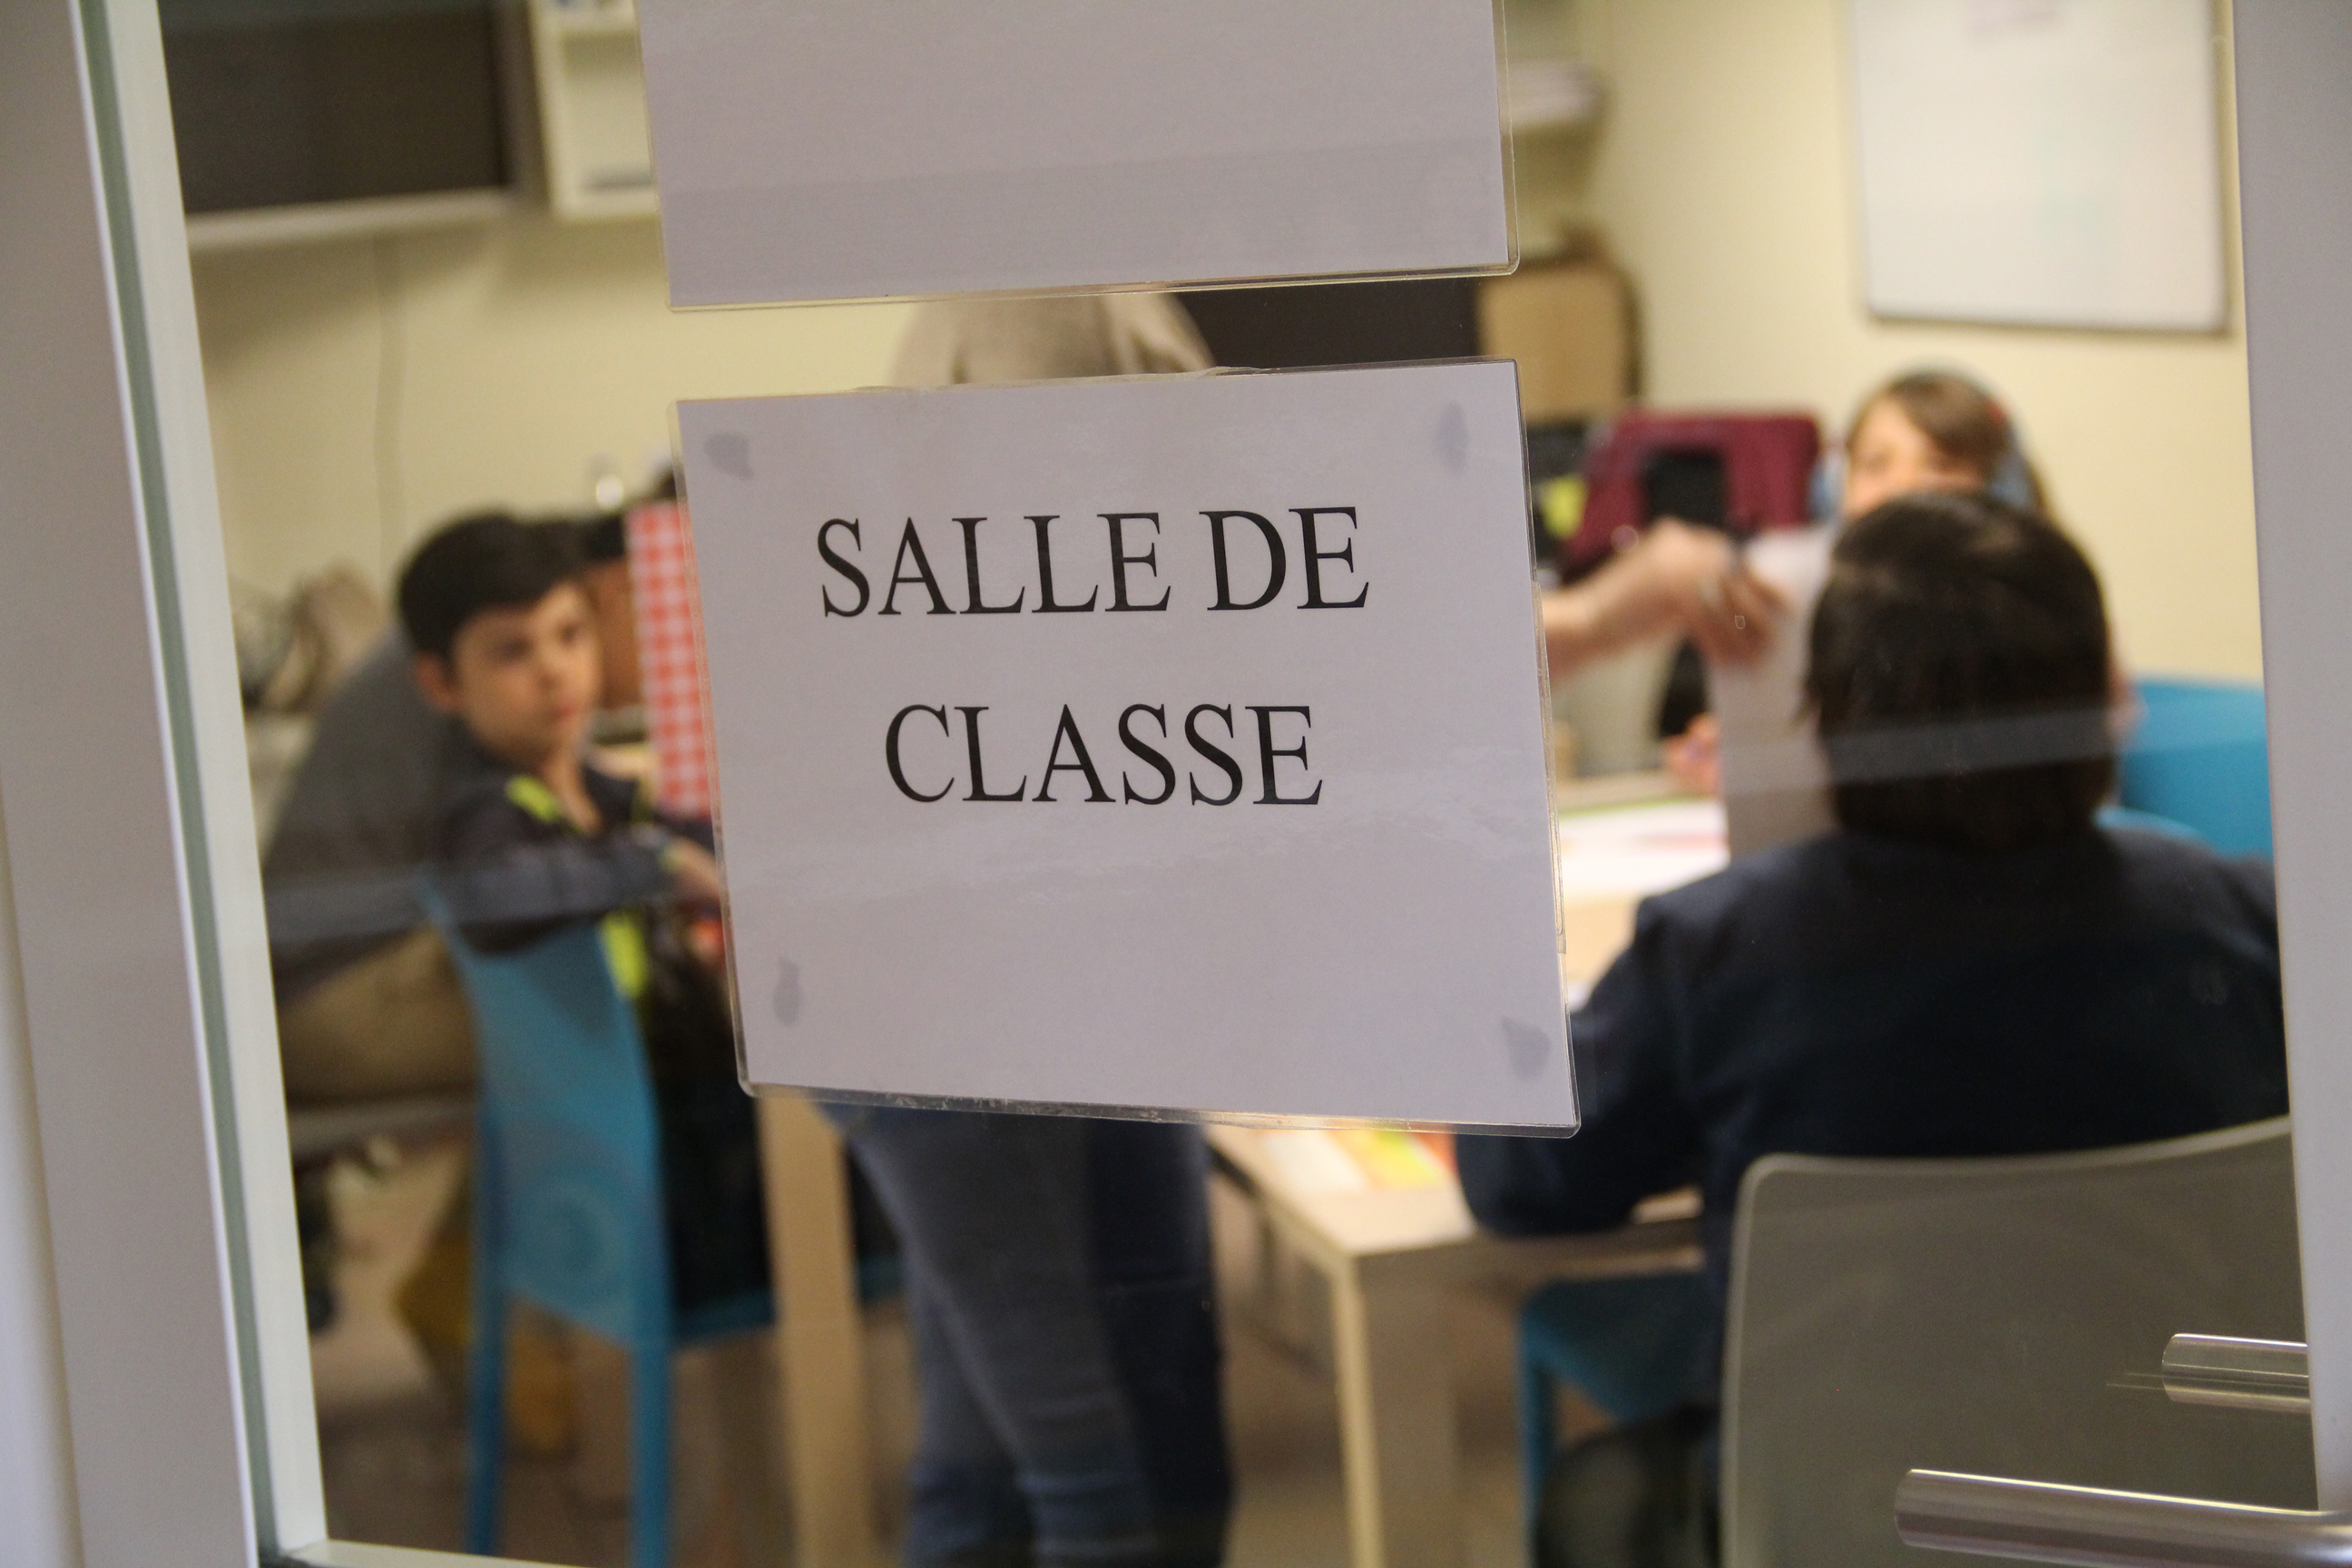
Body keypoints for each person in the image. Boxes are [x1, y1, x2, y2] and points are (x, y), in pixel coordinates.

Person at [1460, 492, 2288, 1563]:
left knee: (1602, 1496)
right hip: (2178, 1495)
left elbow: (1519, 1185)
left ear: (1826, 715)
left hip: (1827, 1510)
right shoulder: (2244, 924)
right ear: (2102, 700)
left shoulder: (1722, 949)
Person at [828, 292, 1233, 1568]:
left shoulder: (1053, 311)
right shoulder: (1040, 318)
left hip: (1042, 975)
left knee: (1003, 1439)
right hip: (962, 995)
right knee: (1088, 1460)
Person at [402, 514, 765, 1316]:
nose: (554, 671)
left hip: (653, 1140)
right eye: (512, 650)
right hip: (638, 1173)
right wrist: (657, 864)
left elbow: (696, 843)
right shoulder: (479, 816)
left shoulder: (608, 792)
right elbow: (501, 894)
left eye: (569, 635)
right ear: (439, 683)